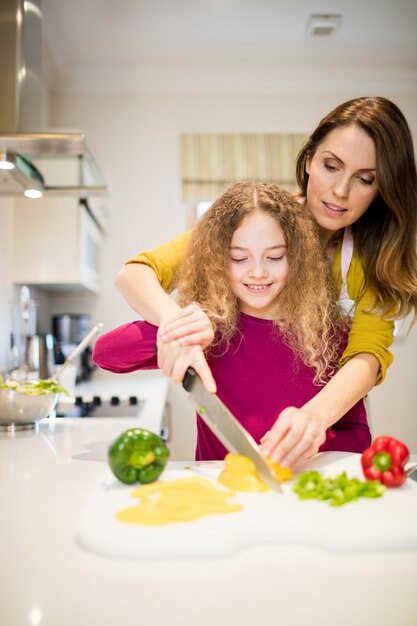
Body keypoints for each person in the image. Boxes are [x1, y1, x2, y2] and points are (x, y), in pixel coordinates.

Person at [114, 96, 417, 467]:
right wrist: (175, 326)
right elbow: (135, 274)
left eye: (364, 179)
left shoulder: (375, 260)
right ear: (308, 159)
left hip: (329, 444)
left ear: (382, 187)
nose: (340, 191)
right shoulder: (258, 221)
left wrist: (312, 420)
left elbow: (368, 356)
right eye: (331, 166)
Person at [93, 182, 371, 462]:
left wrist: (310, 441)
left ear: (297, 257)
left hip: (300, 492)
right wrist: (174, 330)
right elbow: (105, 354)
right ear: (217, 260)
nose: (258, 272)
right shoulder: (207, 329)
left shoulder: (330, 333)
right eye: (239, 258)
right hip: (223, 496)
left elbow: (358, 433)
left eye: (275, 257)